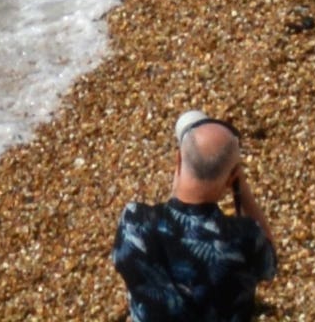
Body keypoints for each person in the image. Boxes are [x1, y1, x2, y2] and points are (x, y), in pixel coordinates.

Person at [113, 117, 275, 322]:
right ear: (230, 179)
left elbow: (172, 227)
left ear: (178, 160)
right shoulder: (245, 238)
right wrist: (241, 189)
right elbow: (269, 267)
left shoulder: (134, 223)